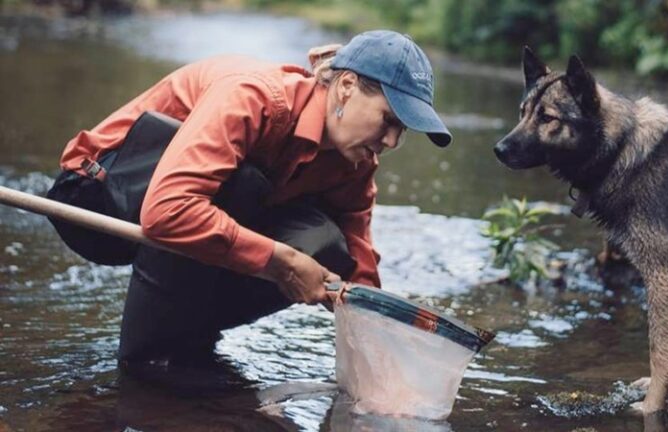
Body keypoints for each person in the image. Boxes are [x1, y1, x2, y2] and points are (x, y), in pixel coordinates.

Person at [46, 30, 452, 364]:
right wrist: (282, 261)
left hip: (188, 210)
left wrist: (379, 332)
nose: (393, 141)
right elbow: (169, 211)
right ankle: (148, 358)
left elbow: (360, 255)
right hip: (98, 195)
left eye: (403, 131)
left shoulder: (356, 159)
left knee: (330, 246)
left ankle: (189, 336)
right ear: (346, 88)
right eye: (389, 120)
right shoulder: (255, 98)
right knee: (244, 186)